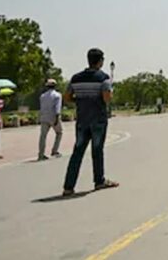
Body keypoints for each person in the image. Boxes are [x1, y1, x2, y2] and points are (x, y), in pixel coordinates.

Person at [62, 48, 119, 196]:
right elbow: (106, 98)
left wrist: (80, 100)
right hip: (98, 120)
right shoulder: (103, 78)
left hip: (82, 120)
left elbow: (67, 97)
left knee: (78, 152)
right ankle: (99, 181)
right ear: (100, 61)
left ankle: (69, 186)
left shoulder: (76, 78)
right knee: (97, 150)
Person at [38, 79, 63, 160]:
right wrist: (57, 118)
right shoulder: (57, 95)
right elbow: (57, 108)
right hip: (53, 117)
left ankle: (41, 154)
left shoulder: (42, 96)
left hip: (44, 117)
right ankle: (54, 150)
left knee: (43, 136)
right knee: (59, 133)